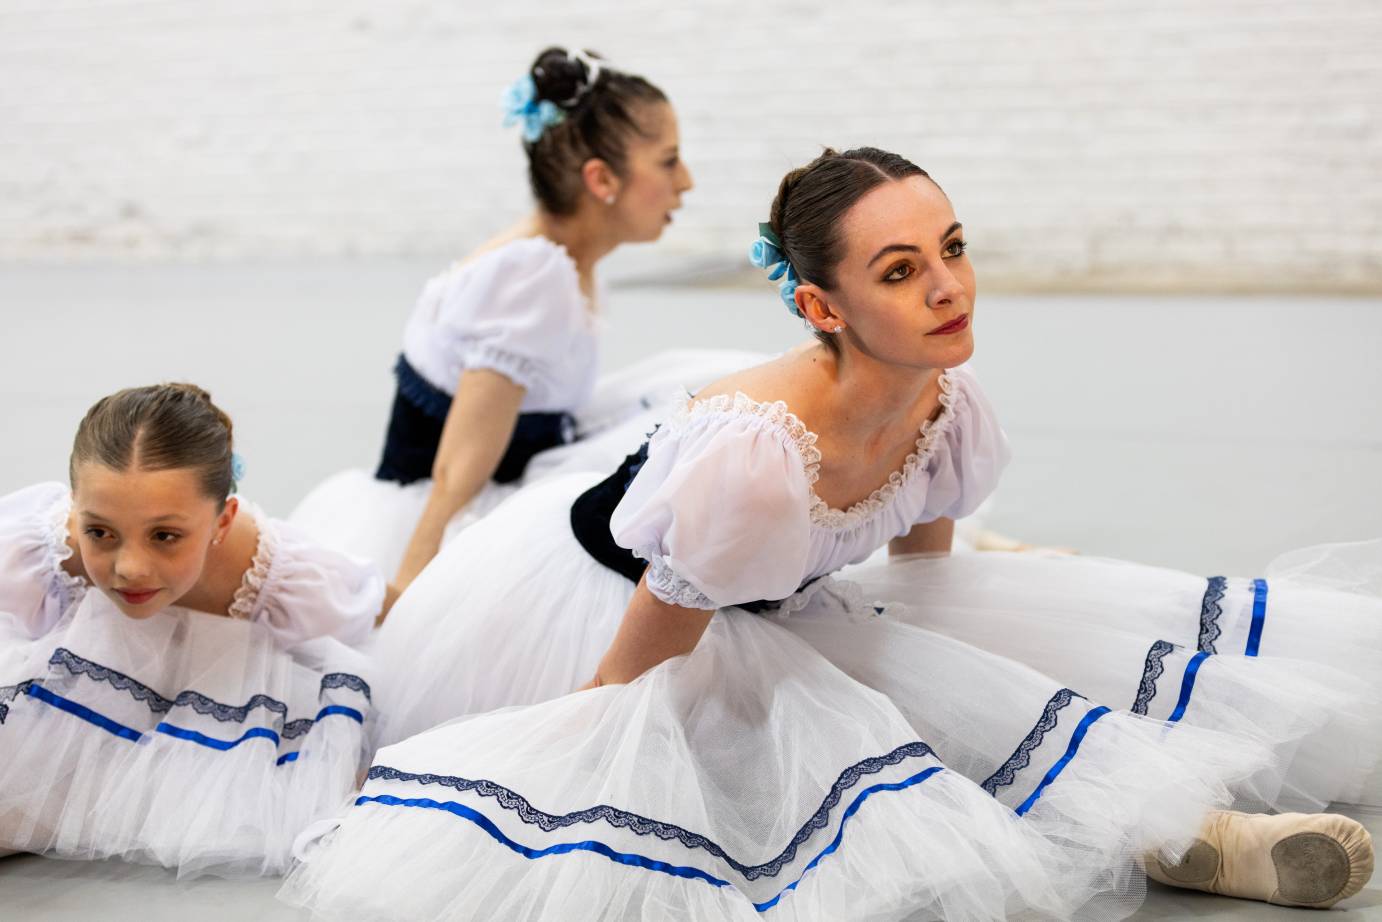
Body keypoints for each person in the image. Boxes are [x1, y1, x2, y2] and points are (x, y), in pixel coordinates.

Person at [280, 149, 1373, 920]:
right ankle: (1195, 845)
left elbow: (924, 571)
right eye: (899, 272)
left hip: (779, 593)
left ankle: (1190, 826)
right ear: (820, 307)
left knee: (961, 684)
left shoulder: (951, 400)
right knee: (812, 757)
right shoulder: (749, 466)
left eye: (950, 247)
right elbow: (635, 663)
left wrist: (945, 668)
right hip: (626, 616)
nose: (946, 287)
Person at [290, 46, 753, 591]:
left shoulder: (561, 261)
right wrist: (407, 589)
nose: (687, 181)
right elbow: (458, 469)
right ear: (602, 179)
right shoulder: (532, 277)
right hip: (451, 502)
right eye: (670, 161)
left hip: (520, 457)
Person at [0, 383, 382, 877]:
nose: (130, 567)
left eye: (165, 536)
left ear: (222, 521)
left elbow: (380, 613)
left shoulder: (277, 574)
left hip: (212, 713)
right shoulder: (43, 550)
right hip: (75, 702)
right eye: (100, 532)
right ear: (76, 508)